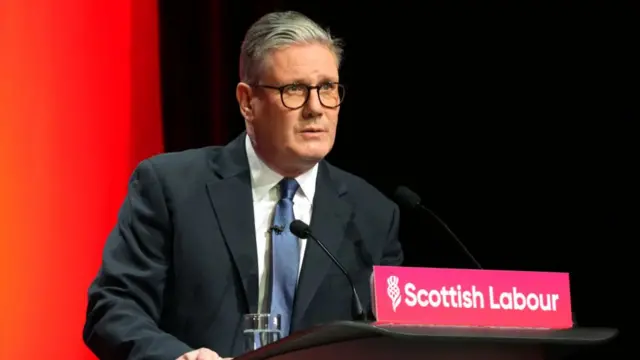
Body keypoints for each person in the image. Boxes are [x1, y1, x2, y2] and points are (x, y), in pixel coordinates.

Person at [83, 10, 403, 360]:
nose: (316, 108)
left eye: (327, 88)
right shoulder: (171, 187)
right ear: (247, 102)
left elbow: (392, 338)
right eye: (294, 89)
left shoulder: (372, 215)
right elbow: (113, 309)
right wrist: (178, 357)